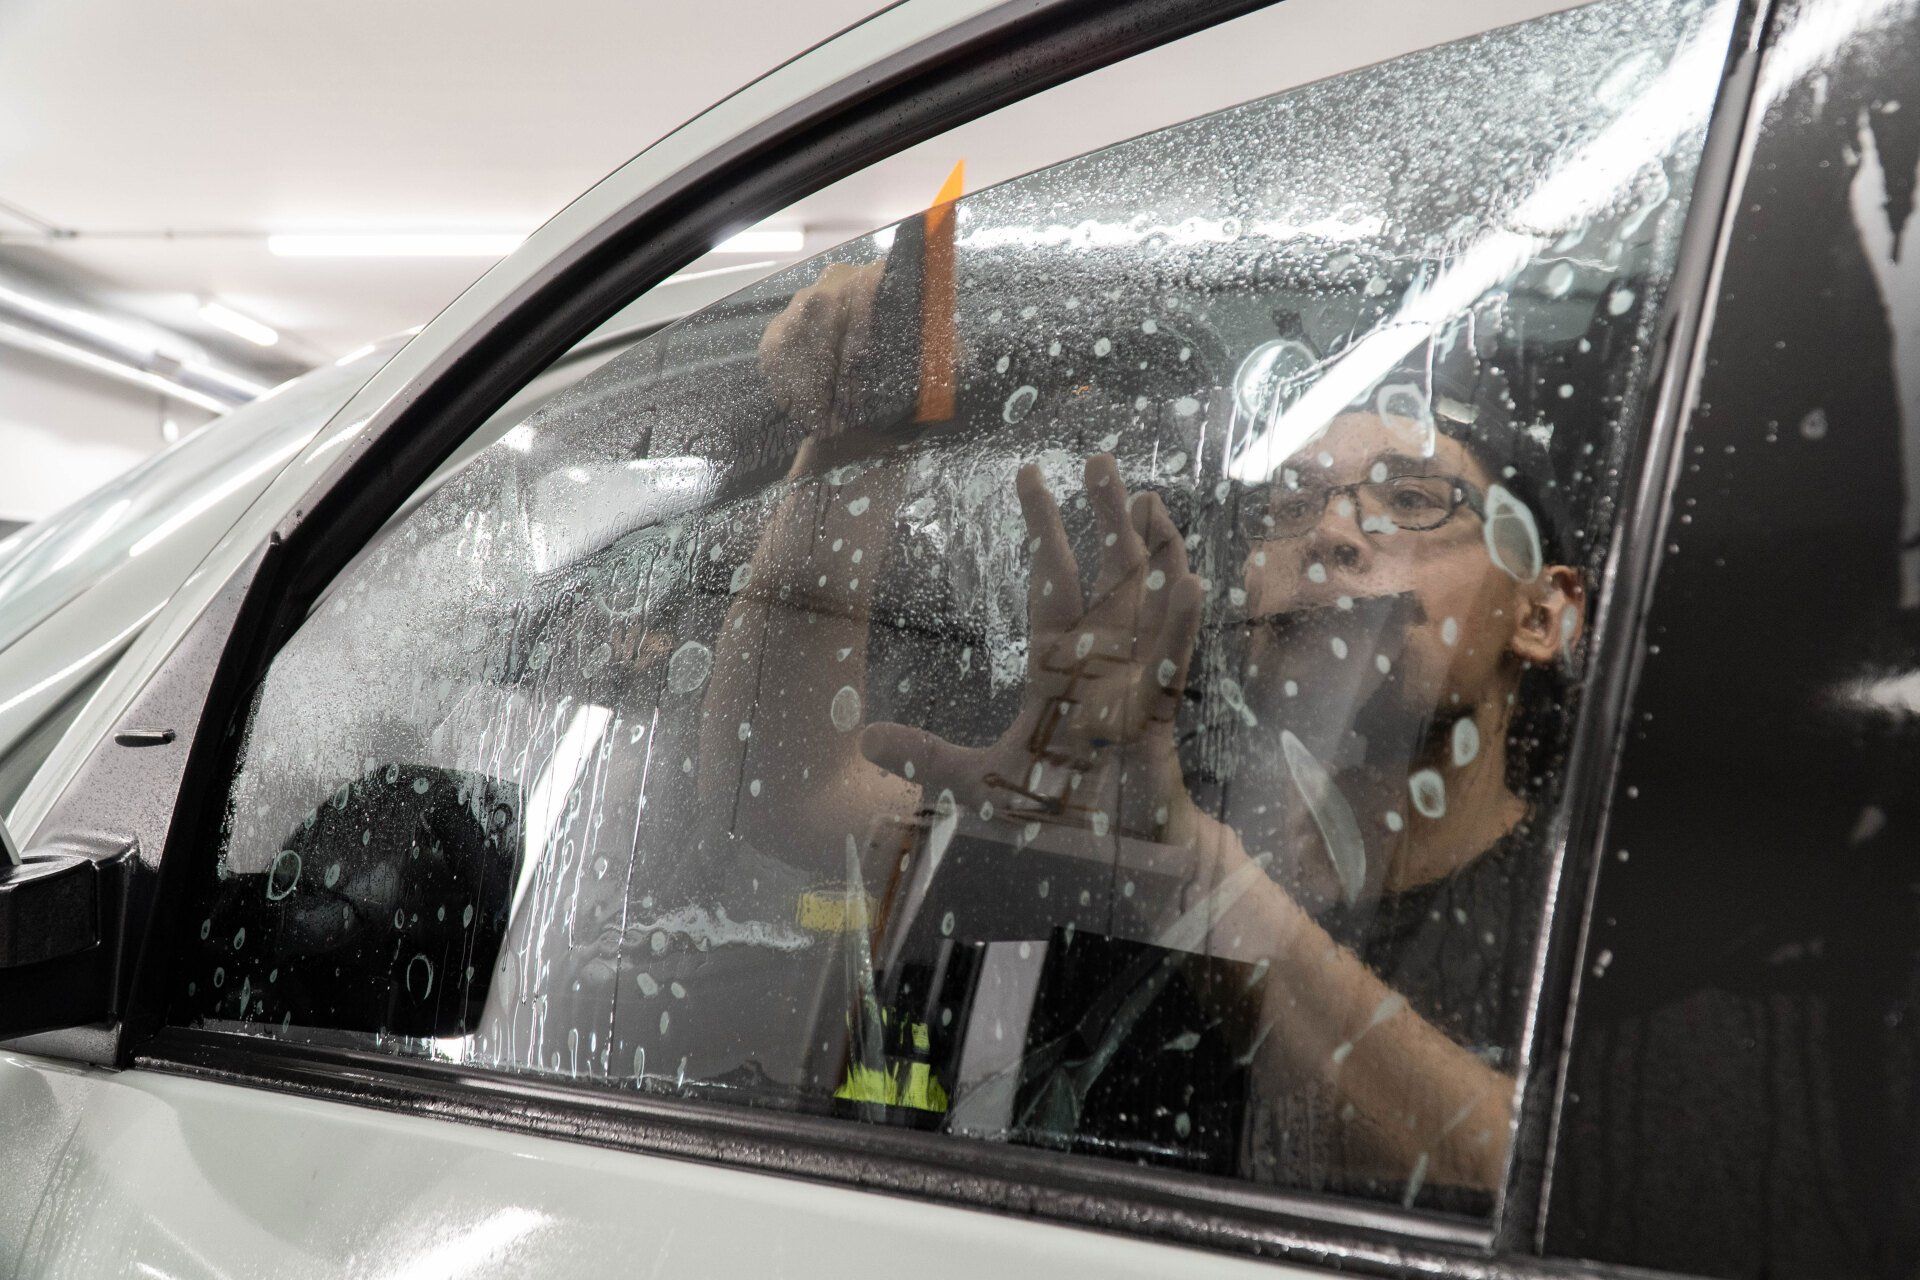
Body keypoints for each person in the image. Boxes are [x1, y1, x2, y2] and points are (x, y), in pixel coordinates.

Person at [675, 256, 1587, 1199]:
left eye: (1411, 498)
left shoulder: (1601, 906)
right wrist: (856, 433)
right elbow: (784, 790)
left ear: (1542, 612)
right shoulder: (1129, 807)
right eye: (1293, 502)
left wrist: (1184, 866)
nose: (1332, 535)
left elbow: (1534, 1182)